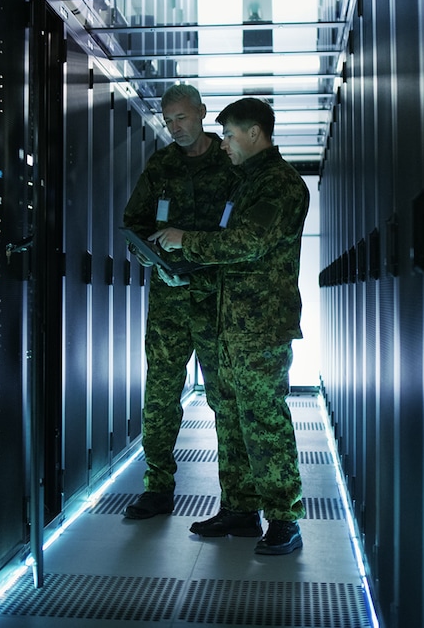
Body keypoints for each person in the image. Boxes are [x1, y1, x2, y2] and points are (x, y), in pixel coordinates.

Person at [149, 97, 309, 555]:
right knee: (231, 416)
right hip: (228, 323)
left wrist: (185, 240)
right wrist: (179, 266)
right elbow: (227, 250)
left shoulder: (280, 184)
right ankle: (240, 508)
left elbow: (247, 243)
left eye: (229, 135)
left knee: (263, 419)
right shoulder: (247, 183)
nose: (223, 145)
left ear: (254, 133)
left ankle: (284, 517)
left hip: (260, 327)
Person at [120, 83, 242, 520]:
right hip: (169, 299)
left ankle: (237, 500)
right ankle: (157, 488)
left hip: (215, 297)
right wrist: (146, 254)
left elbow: (244, 232)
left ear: (202, 112)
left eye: (182, 118)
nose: (175, 127)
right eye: (169, 121)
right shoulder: (162, 165)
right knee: (160, 394)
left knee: (225, 397)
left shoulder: (229, 162)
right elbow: (133, 223)